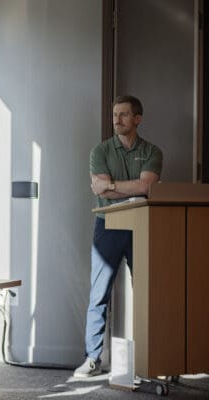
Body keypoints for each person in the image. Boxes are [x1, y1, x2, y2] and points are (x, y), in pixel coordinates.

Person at [74, 95, 163, 378]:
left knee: (149, 293)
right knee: (98, 295)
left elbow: (148, 187)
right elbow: (101, 192)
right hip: (107, 225)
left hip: (142, 224)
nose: (117, 119)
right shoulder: (99, 151)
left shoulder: (152, 151)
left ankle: (155, 357)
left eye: (124, 115)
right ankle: (92, 359)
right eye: (115, 114)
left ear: (137, 119)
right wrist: (127, 187)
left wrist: (111, 184)